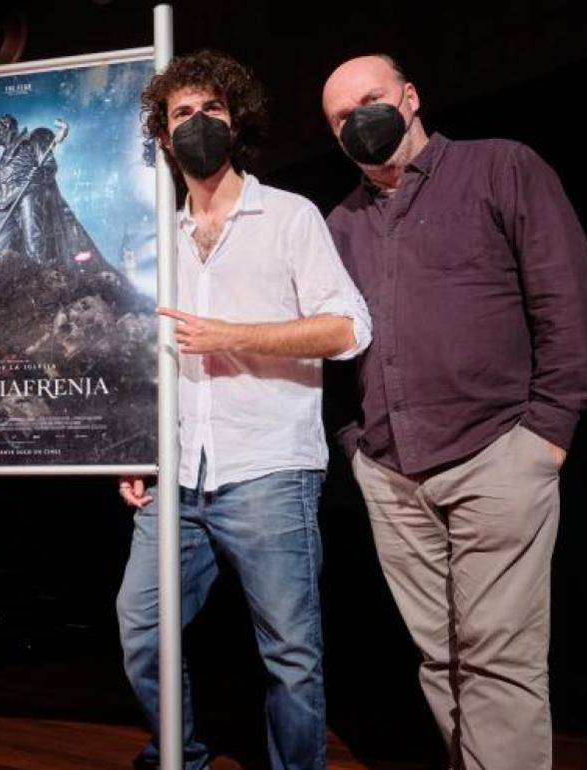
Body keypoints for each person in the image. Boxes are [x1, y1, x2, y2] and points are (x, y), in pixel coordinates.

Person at [321, 54, 587, 770]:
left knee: (498, 660)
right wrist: (357, 445)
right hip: (393, 474)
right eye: (341, 116)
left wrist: (547, 432)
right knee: (440, 658)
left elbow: (567, 298)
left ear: (410, 97)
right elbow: (331, 344)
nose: (360, 120)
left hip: (498, 454)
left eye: (371, 99)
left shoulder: (500, 168)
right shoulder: (339, 224)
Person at [116, 50, 372, 770]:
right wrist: (135, 447)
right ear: (163, 138)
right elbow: (144, 361)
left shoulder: (288, 216)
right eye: (182, 114)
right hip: (177, 477)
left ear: (236, 123)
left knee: (291, 653)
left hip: (269, 469)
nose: (198, 124)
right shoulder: (154, 241)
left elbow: (349, 328)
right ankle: (181, 756)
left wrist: (236, 336)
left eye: (212, 110)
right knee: (141, 625)